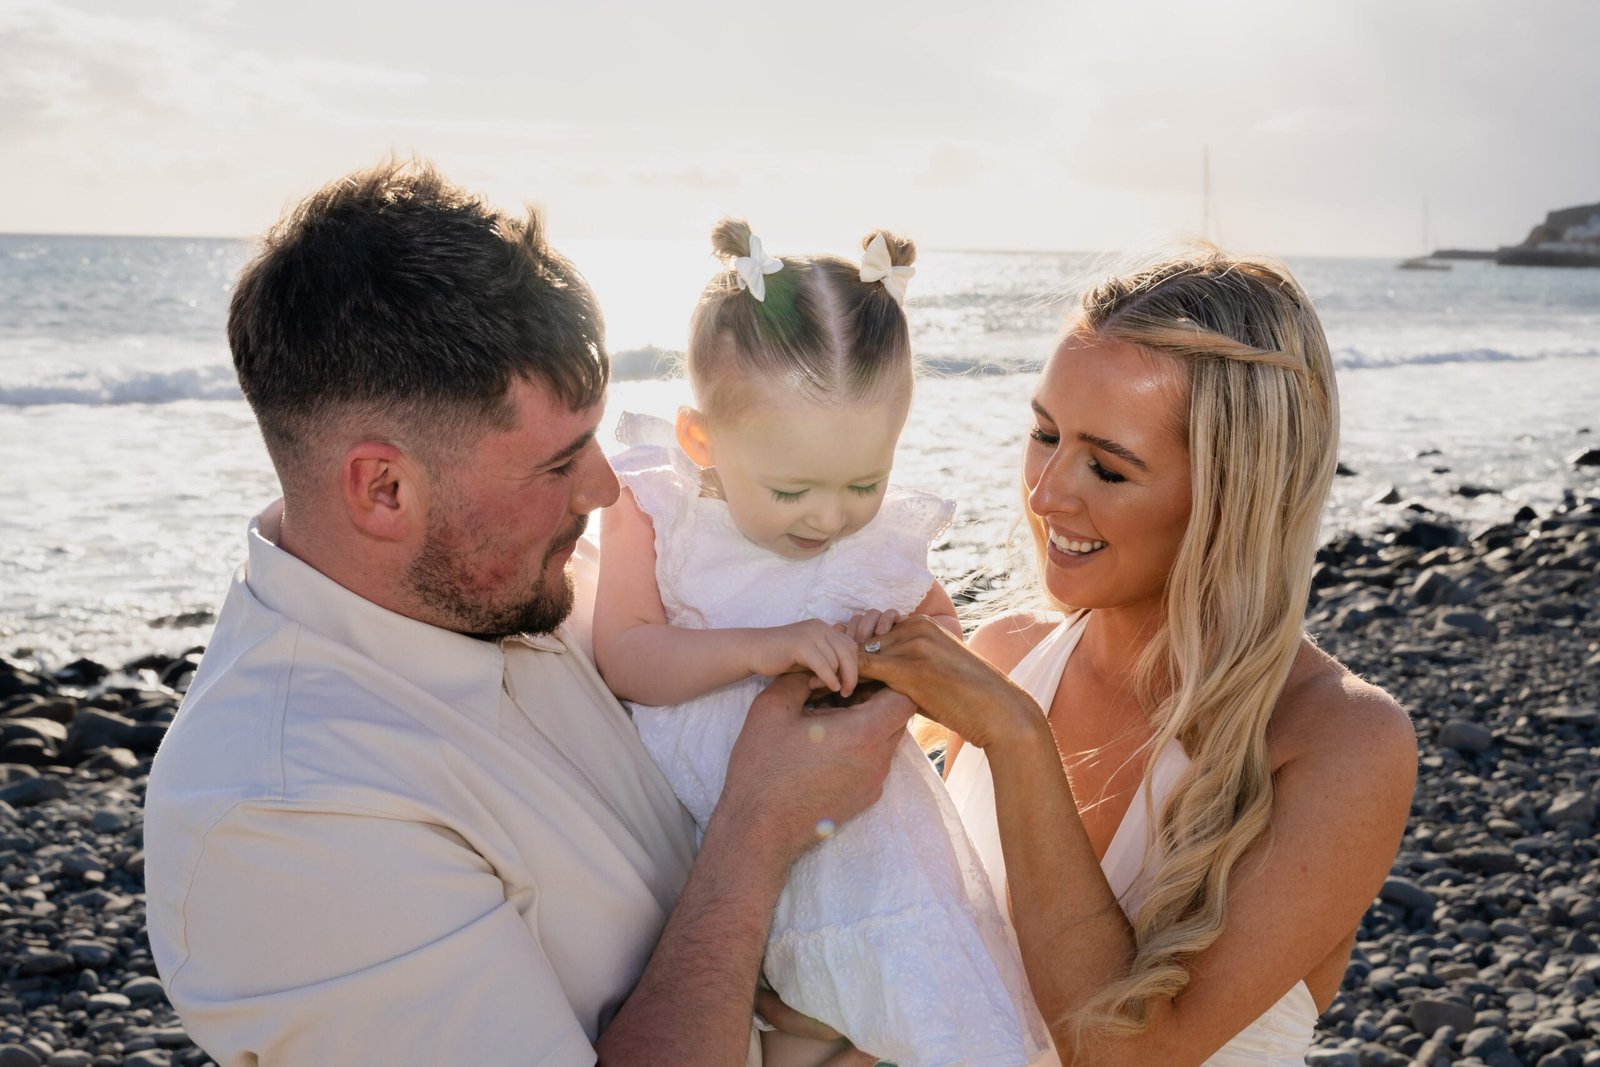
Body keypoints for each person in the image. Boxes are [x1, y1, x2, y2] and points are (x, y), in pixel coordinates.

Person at [141, 160, 915, 1067]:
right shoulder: (287, 814)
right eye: (557, 465)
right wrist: (761, 831)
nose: (605, 485)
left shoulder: (530, 574)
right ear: (384, 488)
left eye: (595, 439)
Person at [856, 247, 1418, 1066]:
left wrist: (1018, 739)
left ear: (1234, 493)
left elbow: (1128, 1053)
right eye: (1044, 433)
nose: (1046, 492)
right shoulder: (1006, 654)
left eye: (1107, 467)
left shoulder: (1339, 741)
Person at [592, 220, 1046, 1067]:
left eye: (863, 483)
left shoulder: (879, 544)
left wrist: (896, 646)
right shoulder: (659, 507)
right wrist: (763, 646)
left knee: (890, 1020)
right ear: (701, 440)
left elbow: (947, 640)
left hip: (866, 850)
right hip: (705, 834)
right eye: (793, 488)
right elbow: (628, 655)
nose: (829, 517)